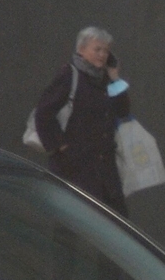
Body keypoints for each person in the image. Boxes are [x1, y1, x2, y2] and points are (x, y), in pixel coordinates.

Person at [34, 27, 130, 213]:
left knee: (117, 223)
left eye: (106, 51)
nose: (102, 55)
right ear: (81, 50)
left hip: (105, 170)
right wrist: (62, 147)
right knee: (73, 225)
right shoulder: (69, 74)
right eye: (97, 49)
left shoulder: (106, 80)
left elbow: (123, 110)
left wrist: (115, 78)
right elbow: (44, 113)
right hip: (75, 168)